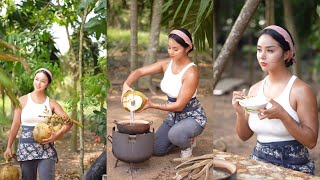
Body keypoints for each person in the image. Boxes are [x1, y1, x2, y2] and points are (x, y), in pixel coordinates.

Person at [232, 25, 318, 175]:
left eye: (270, 50)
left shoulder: (301, 91)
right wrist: (240, 112)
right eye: (259, 50)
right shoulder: (255, 90)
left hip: (293, 168)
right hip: (257, 163)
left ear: (286, 54)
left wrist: (283, 115)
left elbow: (311, 142)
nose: (262, 56)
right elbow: (244, 136)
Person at [122, 28, 207, 158]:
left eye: (175, 49)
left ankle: (187, 144)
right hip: (173, 116)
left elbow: (179, 106)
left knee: (175, 134)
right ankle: (180, 136)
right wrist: (126, 85)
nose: (171, 52)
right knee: (156, 149)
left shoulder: (191, 72)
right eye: (169, 47)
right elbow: (139, 72)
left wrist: (152, 105)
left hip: (192, 117)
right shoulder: (167, 64)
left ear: (187, 48)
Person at [3, 68, 73, 180]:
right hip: (26, 149)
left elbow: (69, 123)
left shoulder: (51, 103)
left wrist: (57, 135)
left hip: (46, 150)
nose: (38, 83)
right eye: (37, 79)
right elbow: (15, 125)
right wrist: (8, 147)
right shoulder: (22, 101)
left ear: (47, 84)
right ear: (34, 79)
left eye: (43, 81)